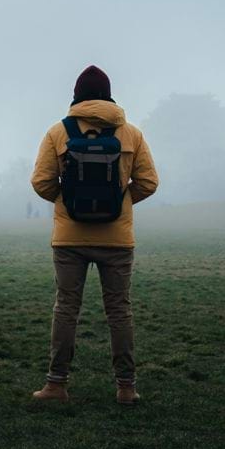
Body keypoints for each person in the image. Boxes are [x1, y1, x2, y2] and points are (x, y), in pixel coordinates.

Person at [29, 65, 159, 405]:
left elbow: (41, 181)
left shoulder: (58, 132)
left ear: (77, 96)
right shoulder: (131, 134)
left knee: (66, 309)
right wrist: (121, 201)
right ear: (109, 95)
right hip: (116, 239)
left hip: (70, 239)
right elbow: (149, 183)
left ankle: (56, 385)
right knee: (119, 311)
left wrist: (67, 202)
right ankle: (126, 388)